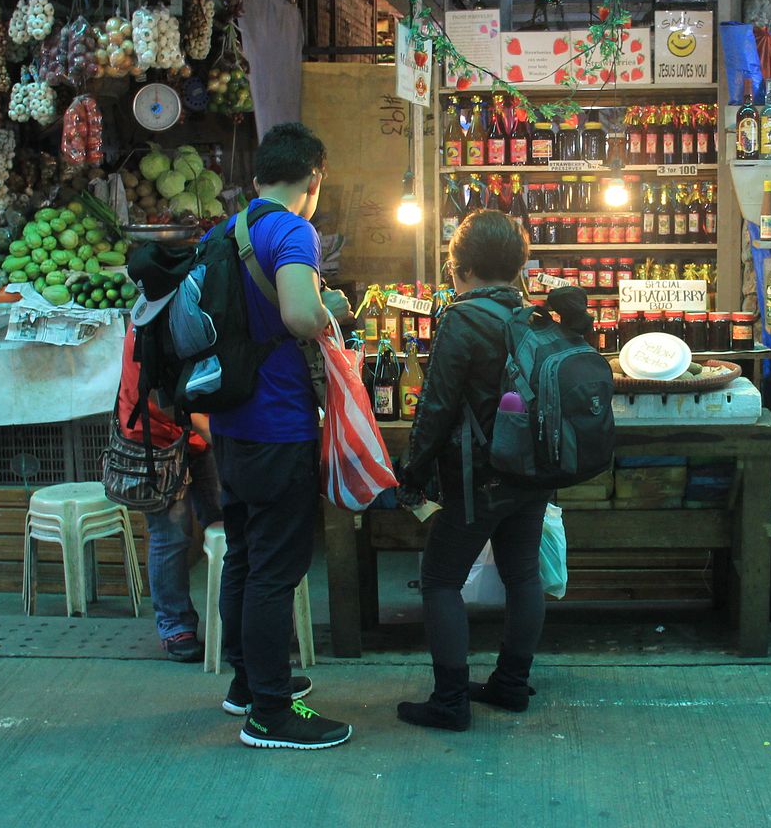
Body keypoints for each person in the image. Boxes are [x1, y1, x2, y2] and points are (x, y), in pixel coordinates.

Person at [395, 210, 591, 732]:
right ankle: (509, 684)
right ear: (519, 265)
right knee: (521, 572)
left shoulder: (462, 318)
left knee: (439, 580)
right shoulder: (534, 317)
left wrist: (411, 472)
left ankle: (450, 700)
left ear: (459, 268)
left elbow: (436, 406)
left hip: (478, 476)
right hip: (533, 472)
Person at [210, 122, 353, 750]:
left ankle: (248, 683)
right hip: (276, 424)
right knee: (275, 569)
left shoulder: (228, 229)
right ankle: (270, 714)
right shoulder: (292, 229)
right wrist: (334, 310)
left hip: (231, 422)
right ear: (313, 178)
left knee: (244, 557)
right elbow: (298, 314)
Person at [113, 324, 222, 663]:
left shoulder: (192, 313)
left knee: (225, 521)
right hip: (155, 440)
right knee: (169, 535)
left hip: (198, 436)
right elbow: (171, 401)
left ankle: (233, 619)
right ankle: (175, 626)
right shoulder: (150, 326)